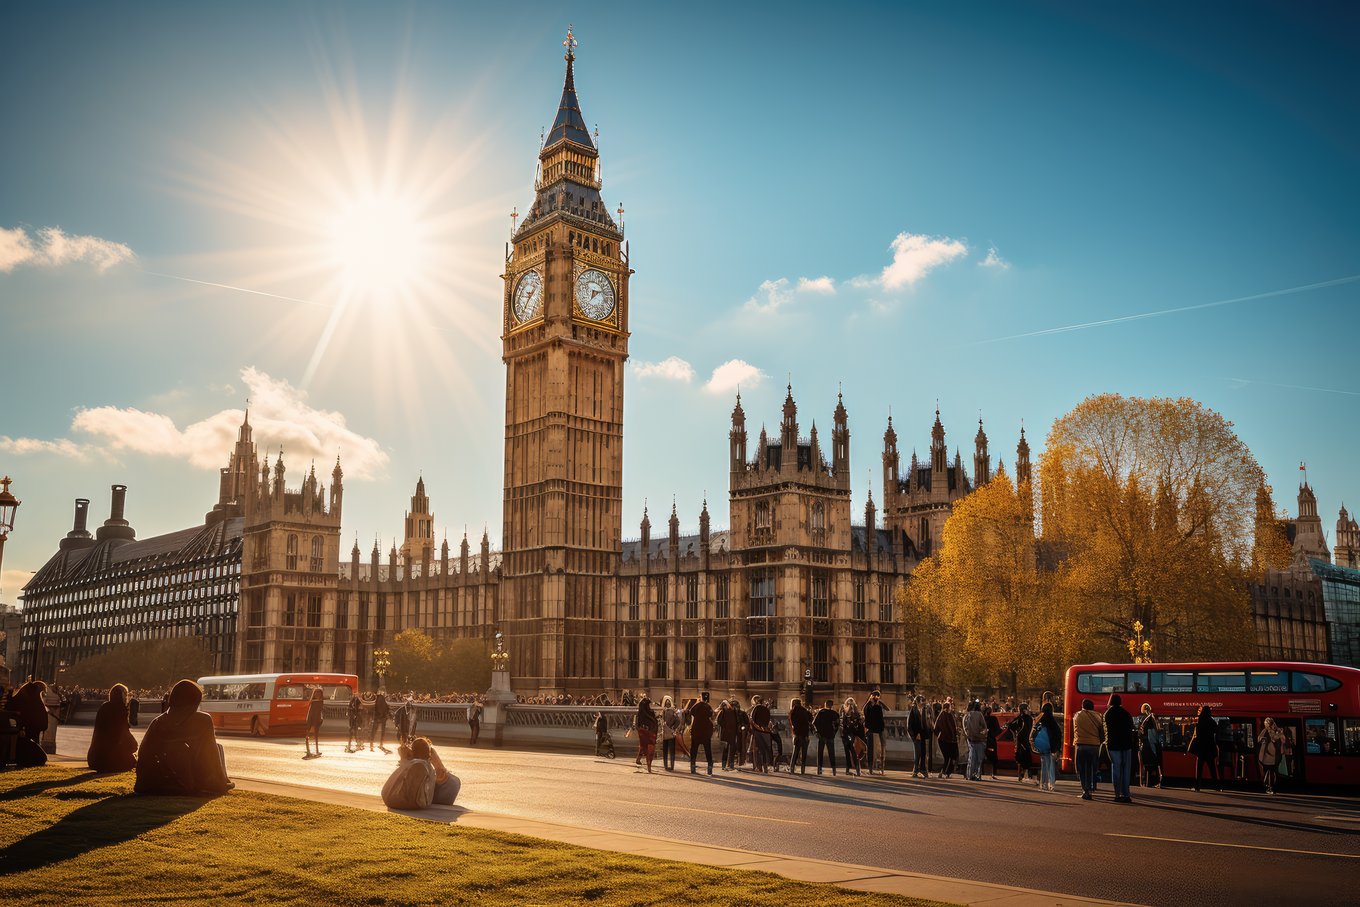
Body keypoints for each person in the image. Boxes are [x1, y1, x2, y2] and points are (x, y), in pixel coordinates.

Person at [135, 679, 233, 796]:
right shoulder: (202, 720)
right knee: (217, 747)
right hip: (182, 783)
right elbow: (210, 750)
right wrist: (219, 782)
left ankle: (217, 780)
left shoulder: (158, 721)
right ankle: (219, 781)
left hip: (150, 781)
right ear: (193, 703)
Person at [87, 683, 137, 773]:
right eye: (126, 694)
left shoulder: (104, 707)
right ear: (121, 695)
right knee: (132, 756)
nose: (127, 697)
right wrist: (133, 745)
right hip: (109, 759)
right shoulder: (120, 709)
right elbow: (123, 734)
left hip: (95, 758)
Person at [1104, 693, 1135, 803]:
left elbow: (1106, 730)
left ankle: (1117, 794)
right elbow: (1131, 728)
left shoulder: (1108, 714)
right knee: (1126, 770)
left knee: (1116, 769)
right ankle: (1126, 794)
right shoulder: (1127, 714)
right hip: (1126, 745)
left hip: (1113, 745)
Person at [412, 737, 461, 805]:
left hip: (429, 794)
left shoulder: (413, 764)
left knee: (451, 780)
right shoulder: (420, 766)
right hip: (429, 796)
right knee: (452, 780)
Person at [1073, 698, 1105, 800]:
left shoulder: (1077, 715)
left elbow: (1075, 730)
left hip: (1081, 745)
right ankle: (1092, 787)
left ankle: (1085, 791)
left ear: (1082, 706)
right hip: (1094, 745)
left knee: (1082, 769)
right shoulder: (1098, 716)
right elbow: (1102, 730)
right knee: (1093, 768)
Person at [1188, 704, 1221, 792]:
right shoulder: (1212, 722)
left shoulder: (1199, 721)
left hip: (1201, 748)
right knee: (1212, 769)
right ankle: (1217, 786)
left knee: (1199, 769)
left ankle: (1197, 786)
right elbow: (1216, 731)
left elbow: (1197, 735)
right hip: (1210, 747)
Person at [11, 680, 51, 746]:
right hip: (29, 727)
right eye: (41, 691)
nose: (41, 694)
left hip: (29, 727)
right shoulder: (32, 698)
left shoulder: (29, 695)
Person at [1033, 702, 1062, 792]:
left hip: (1042, 746)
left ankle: (1043, 783)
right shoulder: (1052, 721)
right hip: (1051, 746)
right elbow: (1058, 735)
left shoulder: (1039, 720)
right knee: (1051, 765)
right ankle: (1051, 784)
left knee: (1044, 765)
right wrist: (1057, 748)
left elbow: (1034, 732)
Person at [1006, 703, 1034, 784]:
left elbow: (1011, 726)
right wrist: (1015, 736)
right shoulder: (1021, 719)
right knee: (1021, 758)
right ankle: (1021, 776)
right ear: (1024, 710)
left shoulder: (1027, 718)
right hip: (1022, 741)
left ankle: (1023, 775)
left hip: (1025, 741)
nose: (1028, 710)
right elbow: (1011, 726)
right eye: (1027, 709)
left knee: (1024, 758)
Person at [688, 691, 715, 775]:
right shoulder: (708, 706)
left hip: (696, 731)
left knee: (694, 750)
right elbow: (711, 715)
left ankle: (692, 766)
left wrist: (697, 703)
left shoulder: (696, 706)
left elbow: (691, 711)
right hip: (705, 732)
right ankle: (710, 767)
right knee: (708, 750)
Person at [840, 697, 866, 777]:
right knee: (847, 752)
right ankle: (848, 769)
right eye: (849, 703)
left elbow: (859, 724)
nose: (850, 705)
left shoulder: (856, 714)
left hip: (852, 735)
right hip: (845, 735)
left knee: (854, 752)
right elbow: (842, 723)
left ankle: (857, 769)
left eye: (852, 704)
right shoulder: (844, 712)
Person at [1257, 717, 1284, 794]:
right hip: (1267, 756)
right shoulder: (1266, 731)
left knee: (1271, 772)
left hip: (1274, 755)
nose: (1274, 725)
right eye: (1272, 723)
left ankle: (1269, 787)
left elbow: (1281, 739)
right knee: (1270, 772)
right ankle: (1269, 787)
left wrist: (1279, 733)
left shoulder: (1275, 731)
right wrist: (1264, 739)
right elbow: (1260, 738)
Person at [963, 700, 988, 781]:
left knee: (971, 758)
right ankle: (977, 775)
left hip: (970, 739)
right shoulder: (979, 714)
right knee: (979, 759)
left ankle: (969, 774)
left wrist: (968, 735)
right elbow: (984, 727)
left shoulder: (966, 715)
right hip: (979, 739)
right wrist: (982, 734)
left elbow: (965, 728)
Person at [1138, 704, 1162, 789]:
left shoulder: (1147, 719)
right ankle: (1149, 782)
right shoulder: (1149, 718)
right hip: (1148, 744)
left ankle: (1147, 782)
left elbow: (1150, 733)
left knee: (1148, 764)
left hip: (1147, 744)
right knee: (1150, 764)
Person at [814, 699, 840, 775]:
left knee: (820, 753)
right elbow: (837, 725)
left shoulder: (821, 712)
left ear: (825, 704)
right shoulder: (835, 714)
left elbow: (814, 723)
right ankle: (834, 769)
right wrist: (834, 733)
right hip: (830, 735)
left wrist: (817, 732)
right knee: (831, 753)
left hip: (822, 735)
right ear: (832, 705)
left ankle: (819, 769)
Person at [934, 700, 959, 778]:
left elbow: (936, 728)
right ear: (949, 708)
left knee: (947, 757)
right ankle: (946, 773)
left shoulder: (940, 715)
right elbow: (952, 728)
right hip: (949, 740)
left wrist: (940, 734)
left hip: (942, 739)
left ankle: (943, 772)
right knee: (951, 756)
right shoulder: (949, 715)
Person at [787, 696, 812, 775]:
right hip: (805, 734)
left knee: (795, 752)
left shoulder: (792, 712)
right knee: (804, 753)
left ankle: (792, 768)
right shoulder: (805, 711)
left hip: (797, 734)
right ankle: (802, 769)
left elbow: (792, 723)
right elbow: (810, 719)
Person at [864, 690, 886, 775]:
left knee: (879, 750)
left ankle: (879, 768)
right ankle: (872, 768)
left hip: (877, 730)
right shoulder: (871, 706)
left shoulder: (876, 706)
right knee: (872, 750)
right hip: (874, 730)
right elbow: (867, 716)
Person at [749, 695, 774, 773]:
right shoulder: (766, 709)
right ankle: (765, 766)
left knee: (758, 750)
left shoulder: (756, 708)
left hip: (758, 731)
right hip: (765, 731)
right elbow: (768, 720)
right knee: (766, 750)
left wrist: (754, 729)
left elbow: (752, 719)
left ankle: (759, 767)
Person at [907, 695, 929, 778]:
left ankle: (923, 770)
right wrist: (914, 735)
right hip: (916, 735)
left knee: (923, 753)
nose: (923, 703)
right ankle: (915, 770)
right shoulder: (913, 710)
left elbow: (924, 722)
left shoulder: (924, 710)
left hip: (923, 735)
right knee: (918, 753)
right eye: (921, 701)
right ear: (917, 702)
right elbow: (910, 724)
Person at [635, 695, 658, 773]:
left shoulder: (640, 713)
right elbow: (655, 723)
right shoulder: (651, 713)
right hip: (650, 733)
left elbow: (637, 725)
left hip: (642, 732)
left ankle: (639, 759)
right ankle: (649, 767)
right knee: (650, 749)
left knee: (643, 746)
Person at [717, 699, 740, 771]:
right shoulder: (724, 711)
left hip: (730, 733)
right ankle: (725, 765)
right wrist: (725, 726)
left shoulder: (734, 712)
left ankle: (729, 765)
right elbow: (719, 721)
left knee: (730, 750)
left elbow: (737, 722)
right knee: (726, 750)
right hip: (727, 733)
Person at [660, 695, 680, 772]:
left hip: (670, 733)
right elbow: (661, 720)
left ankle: (671, 766)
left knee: (671, 751)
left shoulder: (673, 711)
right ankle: (666, 766)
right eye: (666, 702)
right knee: (666, 750)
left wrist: (673, 728)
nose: (667, 704)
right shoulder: (663, 711)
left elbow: (678, 721)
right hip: (665, 733)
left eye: (668, 702)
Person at [984, 705, 1002, 780]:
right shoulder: (993, 719)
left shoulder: (982, 718)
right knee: (992, 757)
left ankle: (981, 772)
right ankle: (992, 773)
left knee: (983, 757)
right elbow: (997, 731)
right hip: (991, 741)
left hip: (983, 740)